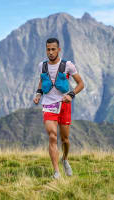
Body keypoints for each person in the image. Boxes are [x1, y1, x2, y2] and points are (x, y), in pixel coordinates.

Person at [33, 38, 84, 179]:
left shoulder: (67, 65)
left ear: (58, 50)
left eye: (53, 49)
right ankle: (56, 172)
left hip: (64, 104)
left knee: (65, 139)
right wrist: (38, 94)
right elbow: (42, 81)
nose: (50, 52)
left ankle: (65, 159)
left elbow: (81, 84)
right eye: (48, 49)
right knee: (52, 136)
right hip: (48, 105)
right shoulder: (41, 66)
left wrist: (71, 95)